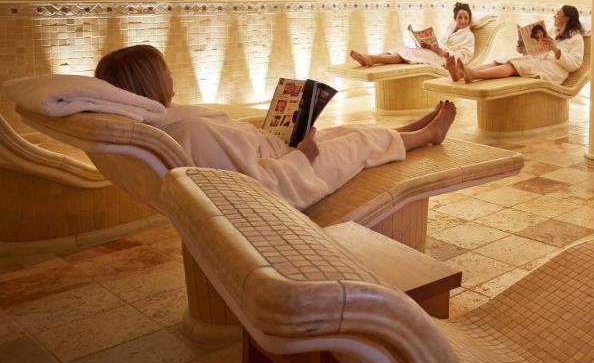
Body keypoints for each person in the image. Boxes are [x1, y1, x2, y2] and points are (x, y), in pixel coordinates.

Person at [94, 45, 457, 209]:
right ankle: (429, 134)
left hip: (278, 152)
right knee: (357, 141)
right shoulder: (189, 133)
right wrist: (303, 154)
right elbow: (261, 188)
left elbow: (236, 157)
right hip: (293, 170)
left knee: (348, 129)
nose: (172, 75)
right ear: (150, 82)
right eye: (165, 71)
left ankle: (409, 130)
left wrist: (276, 131)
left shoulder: (169, 122)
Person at [448, 5, 584, 86]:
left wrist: (556, 50)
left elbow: (575, 64)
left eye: (558, 14)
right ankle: (460, 74)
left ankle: (475, 75)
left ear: (566, 18)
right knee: (500, 61)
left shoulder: (576, 39)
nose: (555, 16)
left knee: (512, 66)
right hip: (539, 63)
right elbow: (540, 51)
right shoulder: (553, 32)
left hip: (553, 72)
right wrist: (525, 48)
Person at [349, 2, 475, 68]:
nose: (463, 21)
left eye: (466, 18)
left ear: (469, 19)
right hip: (435, 53)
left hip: (443, 60)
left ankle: (373, 59)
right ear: (455, 18)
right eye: (460, 17)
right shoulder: (449, 30)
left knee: (408, 53)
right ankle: (370, 57)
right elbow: (439, 44)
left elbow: (465, 57)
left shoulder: (469, 36)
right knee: (402, 48)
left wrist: (445, 53)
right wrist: (426, 44)